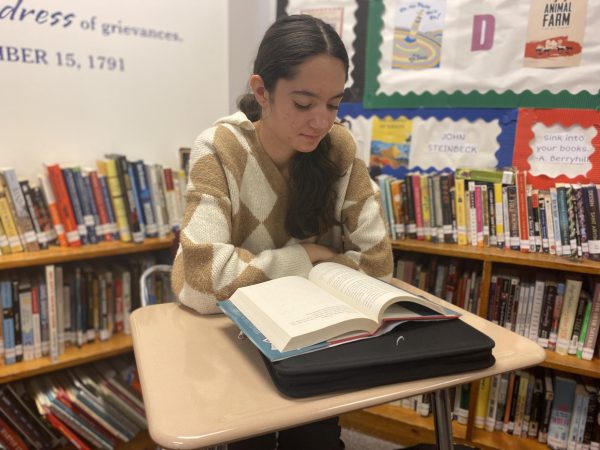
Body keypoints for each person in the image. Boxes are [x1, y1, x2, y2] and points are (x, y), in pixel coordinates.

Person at [171, 13, 393, 450]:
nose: (320, 121)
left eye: (333, 104)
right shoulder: (219, 147)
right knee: (246, 436)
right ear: (262, 91)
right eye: (304, 102)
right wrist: (308, 256)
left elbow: (378, 264)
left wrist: (246, 270)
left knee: (316, 441)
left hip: (316, 343)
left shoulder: (339, 148)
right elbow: (199, 285)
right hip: (234, 345)